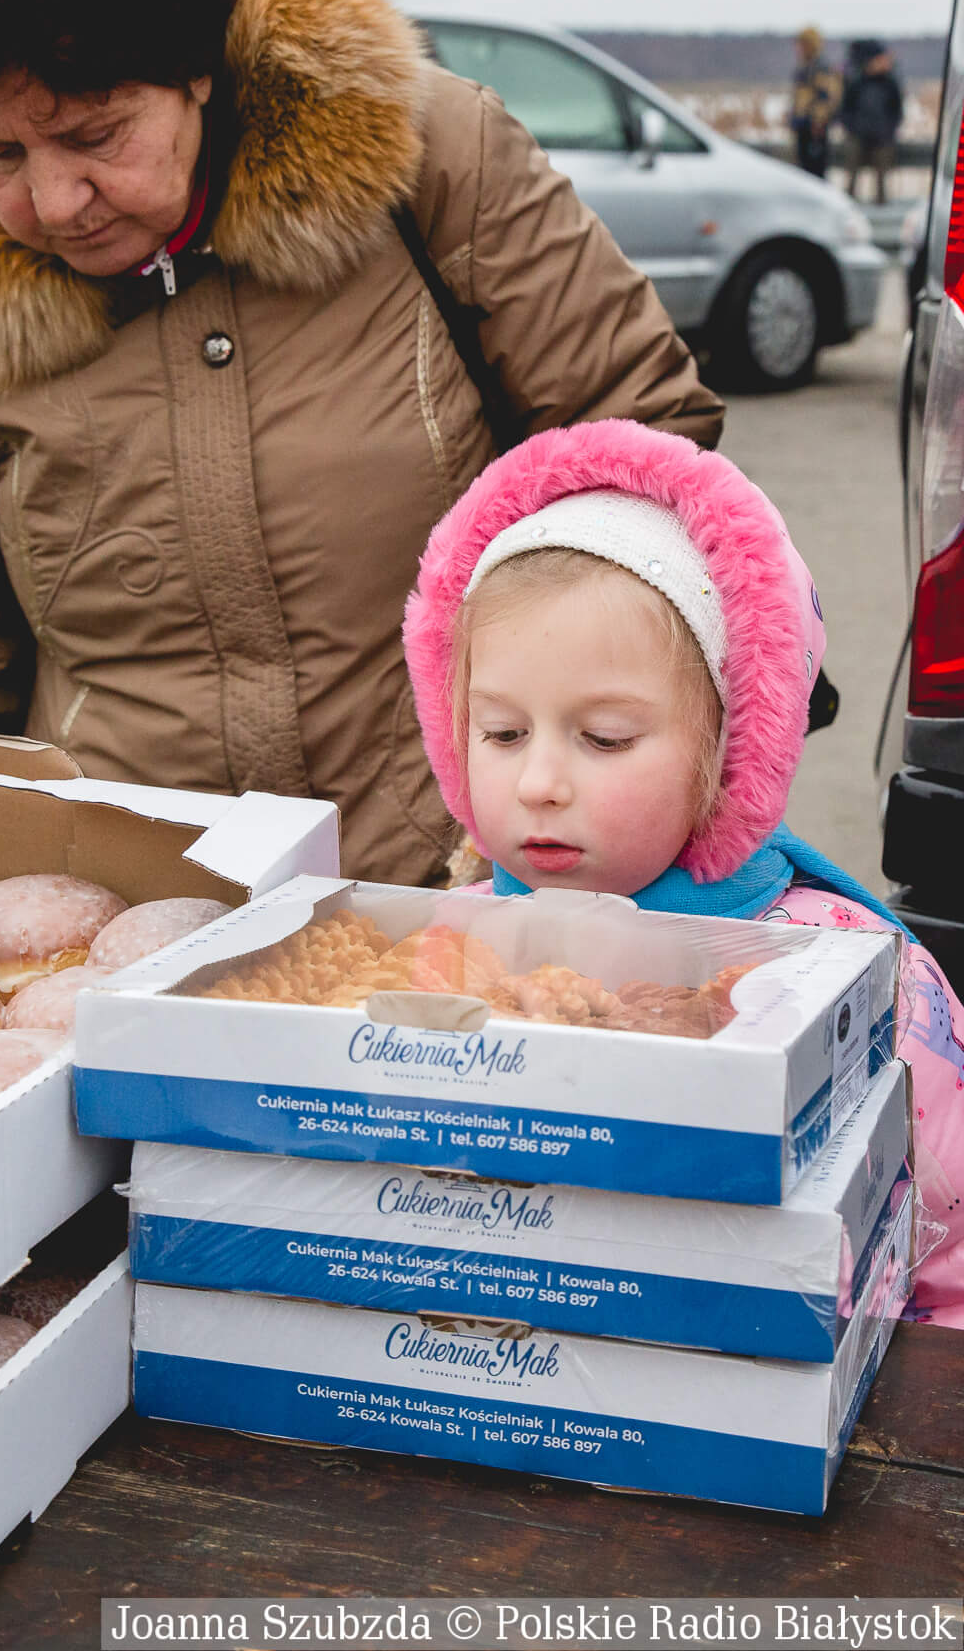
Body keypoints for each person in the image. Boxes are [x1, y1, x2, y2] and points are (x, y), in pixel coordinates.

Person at [0, 0, 724, 887]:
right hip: (127, 903)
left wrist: (554, 813)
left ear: (197, 72)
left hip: (456, 881)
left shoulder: (433, 155)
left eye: (97, 136)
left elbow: (642, 467)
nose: (54, 200)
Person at [403, 416, 964, 1324]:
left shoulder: (859, 987)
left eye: (604, 738)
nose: (539, 782)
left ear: (730, 750)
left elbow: (949, 1248)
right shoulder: (437, 952)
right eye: (501, 732)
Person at [841, 39, 904, 204]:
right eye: (881, 59)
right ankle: (848, 205)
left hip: (882, 137)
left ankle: (881, 206)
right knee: (851, 173)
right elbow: (845, 110)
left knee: (882, 177)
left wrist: (888, 130)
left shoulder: (890, 84)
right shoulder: (856, 82)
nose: (885, 63)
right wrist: (853, 128)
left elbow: (897, 112)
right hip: (858, 135)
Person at [789, 26, 840, 178]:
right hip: (803, 125)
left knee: (815, 173)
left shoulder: (820, 68)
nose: (798, 48)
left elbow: (826, 97)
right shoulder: (805, 67)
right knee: (804, 171)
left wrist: (818, 121)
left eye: (801, 44)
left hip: (814, 129)